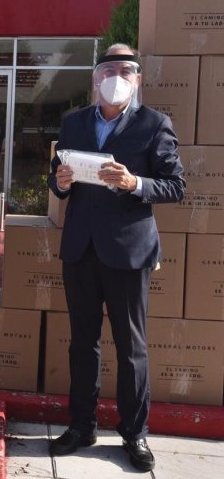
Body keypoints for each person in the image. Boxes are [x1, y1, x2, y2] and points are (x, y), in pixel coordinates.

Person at [47, 44, 185, 472]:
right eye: (108, 70)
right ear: (96, 78)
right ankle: (81, 425)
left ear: (137, 78)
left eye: (126, 70)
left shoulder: (154, 124)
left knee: (131, 348)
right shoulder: (74, 123)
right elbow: (57, 180)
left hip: (128, 252)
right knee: (82, 343)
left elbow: (175, 186)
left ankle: (134, 433)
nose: (116, 77)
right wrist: (61, 182)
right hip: (80, 249)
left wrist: (133, 183)